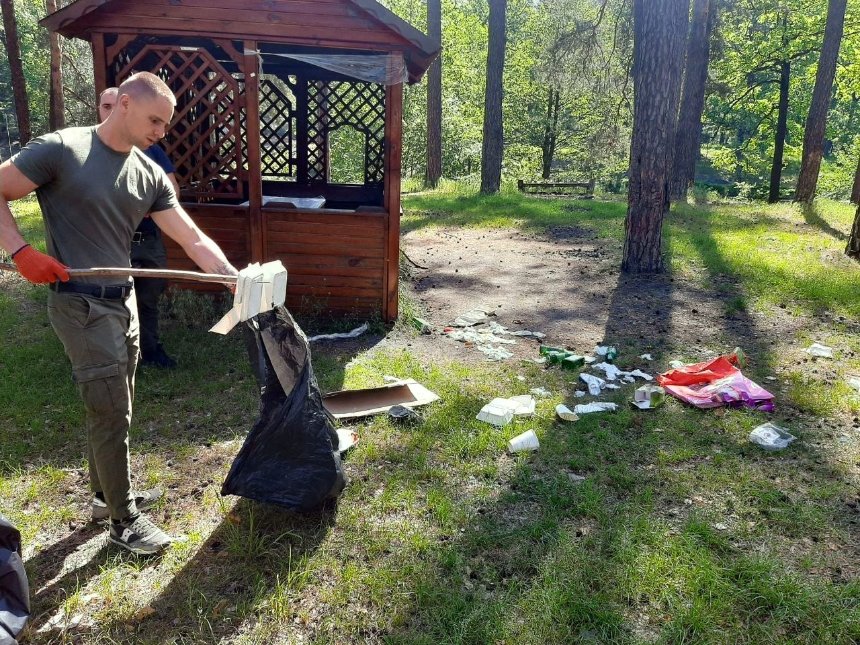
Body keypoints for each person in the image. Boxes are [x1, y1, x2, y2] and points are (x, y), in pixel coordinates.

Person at [0, 72, 238, 555]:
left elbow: (191, 238)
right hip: (81, 304)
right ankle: (124, 520)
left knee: (116, 406)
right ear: (123, 104)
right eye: (155, 120)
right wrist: (20, 252)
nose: (161, 132)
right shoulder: (62, 149)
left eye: (166, 124)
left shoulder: (148, 173)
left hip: (123, 299)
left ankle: (102, 495)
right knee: (111, 412)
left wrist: (234, 276)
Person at [99, 87, 178, 369]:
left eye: (162, 124)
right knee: (110, 303)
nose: (159, 131)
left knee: (148, 299)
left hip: (149, 240)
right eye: (104, 106)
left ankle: (151, 351)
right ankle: (114, 361)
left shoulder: (152, 152)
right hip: (111, 242)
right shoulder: (88, 152)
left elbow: (171, 193)